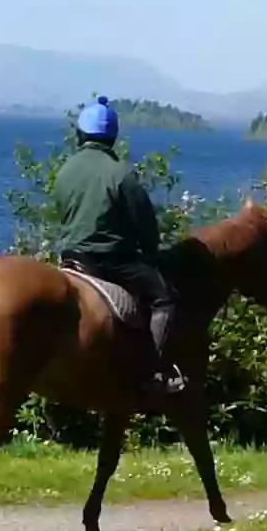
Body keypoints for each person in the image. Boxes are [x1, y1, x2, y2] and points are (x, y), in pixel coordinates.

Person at [54, 96, 187, 401]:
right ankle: (155, 373)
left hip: (71, 258)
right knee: (165, 299)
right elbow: (145, 224)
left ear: (80, 134)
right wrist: (150, 254)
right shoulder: (120, 173)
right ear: (112, 136)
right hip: (110, 261)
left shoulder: (65, 172)